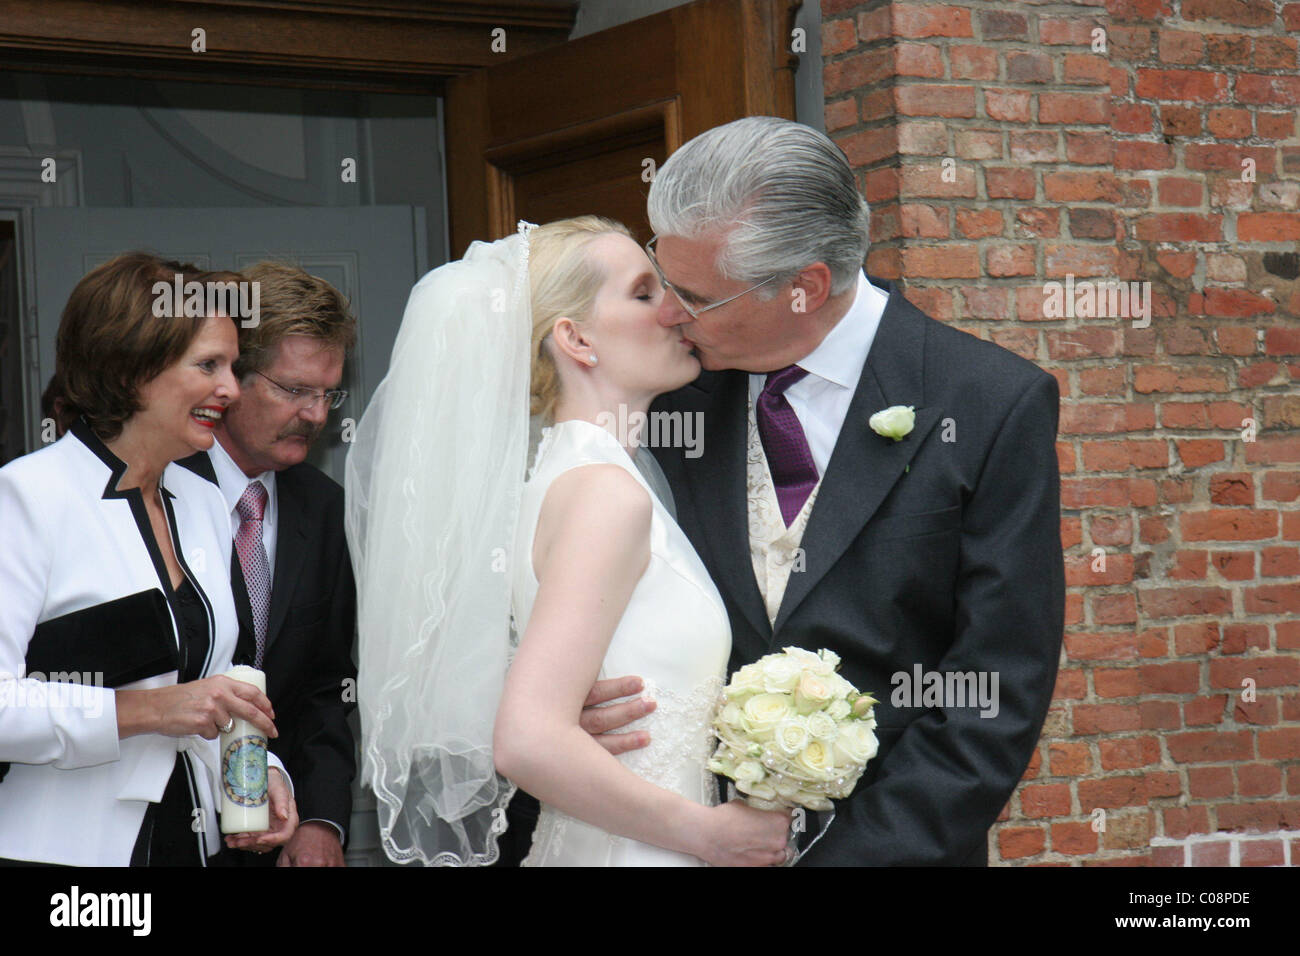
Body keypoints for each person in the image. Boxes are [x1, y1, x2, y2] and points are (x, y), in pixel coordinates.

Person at [584, 115, 1061, 865]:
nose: (670, 312)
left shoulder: (989, 403)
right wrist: (576, 700)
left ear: (804, 287)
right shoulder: (663, 395)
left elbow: (995, 686)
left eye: (696, 294)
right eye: (661, 275)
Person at [346, 217, 791, 866]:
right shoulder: (604, 494)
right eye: (644, 294)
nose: (675, 311)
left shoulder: (565, 474)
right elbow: (527, 740)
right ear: (577, 338)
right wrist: (706, 833)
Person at [0, 252, 298, 866]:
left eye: (233, 367)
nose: (232, 390)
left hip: (200, 848)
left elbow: (213, 682)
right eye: (208, 365)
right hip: (66, 858)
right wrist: (149, 711)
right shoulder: (26, 498)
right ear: (133, 366)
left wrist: (260, 769)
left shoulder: (204, 501)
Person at [178, 261, 358, 866]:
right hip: (164, 833)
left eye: (328, 394)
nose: (317, 415)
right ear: (230, 379)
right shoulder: (158, 493)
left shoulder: (324, 507)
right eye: (293, 389)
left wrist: (324, 822)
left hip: (278, 840)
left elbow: (325, 686)